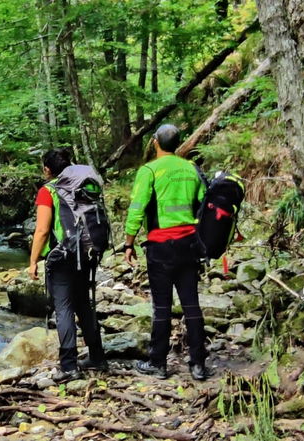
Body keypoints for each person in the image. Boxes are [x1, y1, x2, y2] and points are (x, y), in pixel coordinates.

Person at [122, 124, 210, 381]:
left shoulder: (149, 170)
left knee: (162, 307)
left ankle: (158, 363)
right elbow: (203, 204)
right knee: (191, 304)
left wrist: (128, 243)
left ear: (154, 142)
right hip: (190, 245)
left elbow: (137, 209)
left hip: (160, 247)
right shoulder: (191, 168)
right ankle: (198, 365)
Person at [29, 148, 107, 382]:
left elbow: (42, 230)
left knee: (63, 308)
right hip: (87, 252)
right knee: (84, 304)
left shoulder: (48, 191)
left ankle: (69, 366)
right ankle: (97, 357)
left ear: (47, 169)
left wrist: (33, 261)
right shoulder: (83, 187)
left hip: (62, 256)